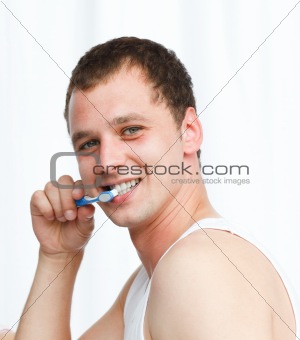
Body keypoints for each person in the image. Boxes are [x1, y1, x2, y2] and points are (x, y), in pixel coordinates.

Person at [14, 37, 297, 339]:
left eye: (131, 130)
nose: (107, 162)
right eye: (89, 143)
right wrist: (58, 255)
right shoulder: (147, 285)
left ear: (189, 133)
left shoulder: (199, 268)